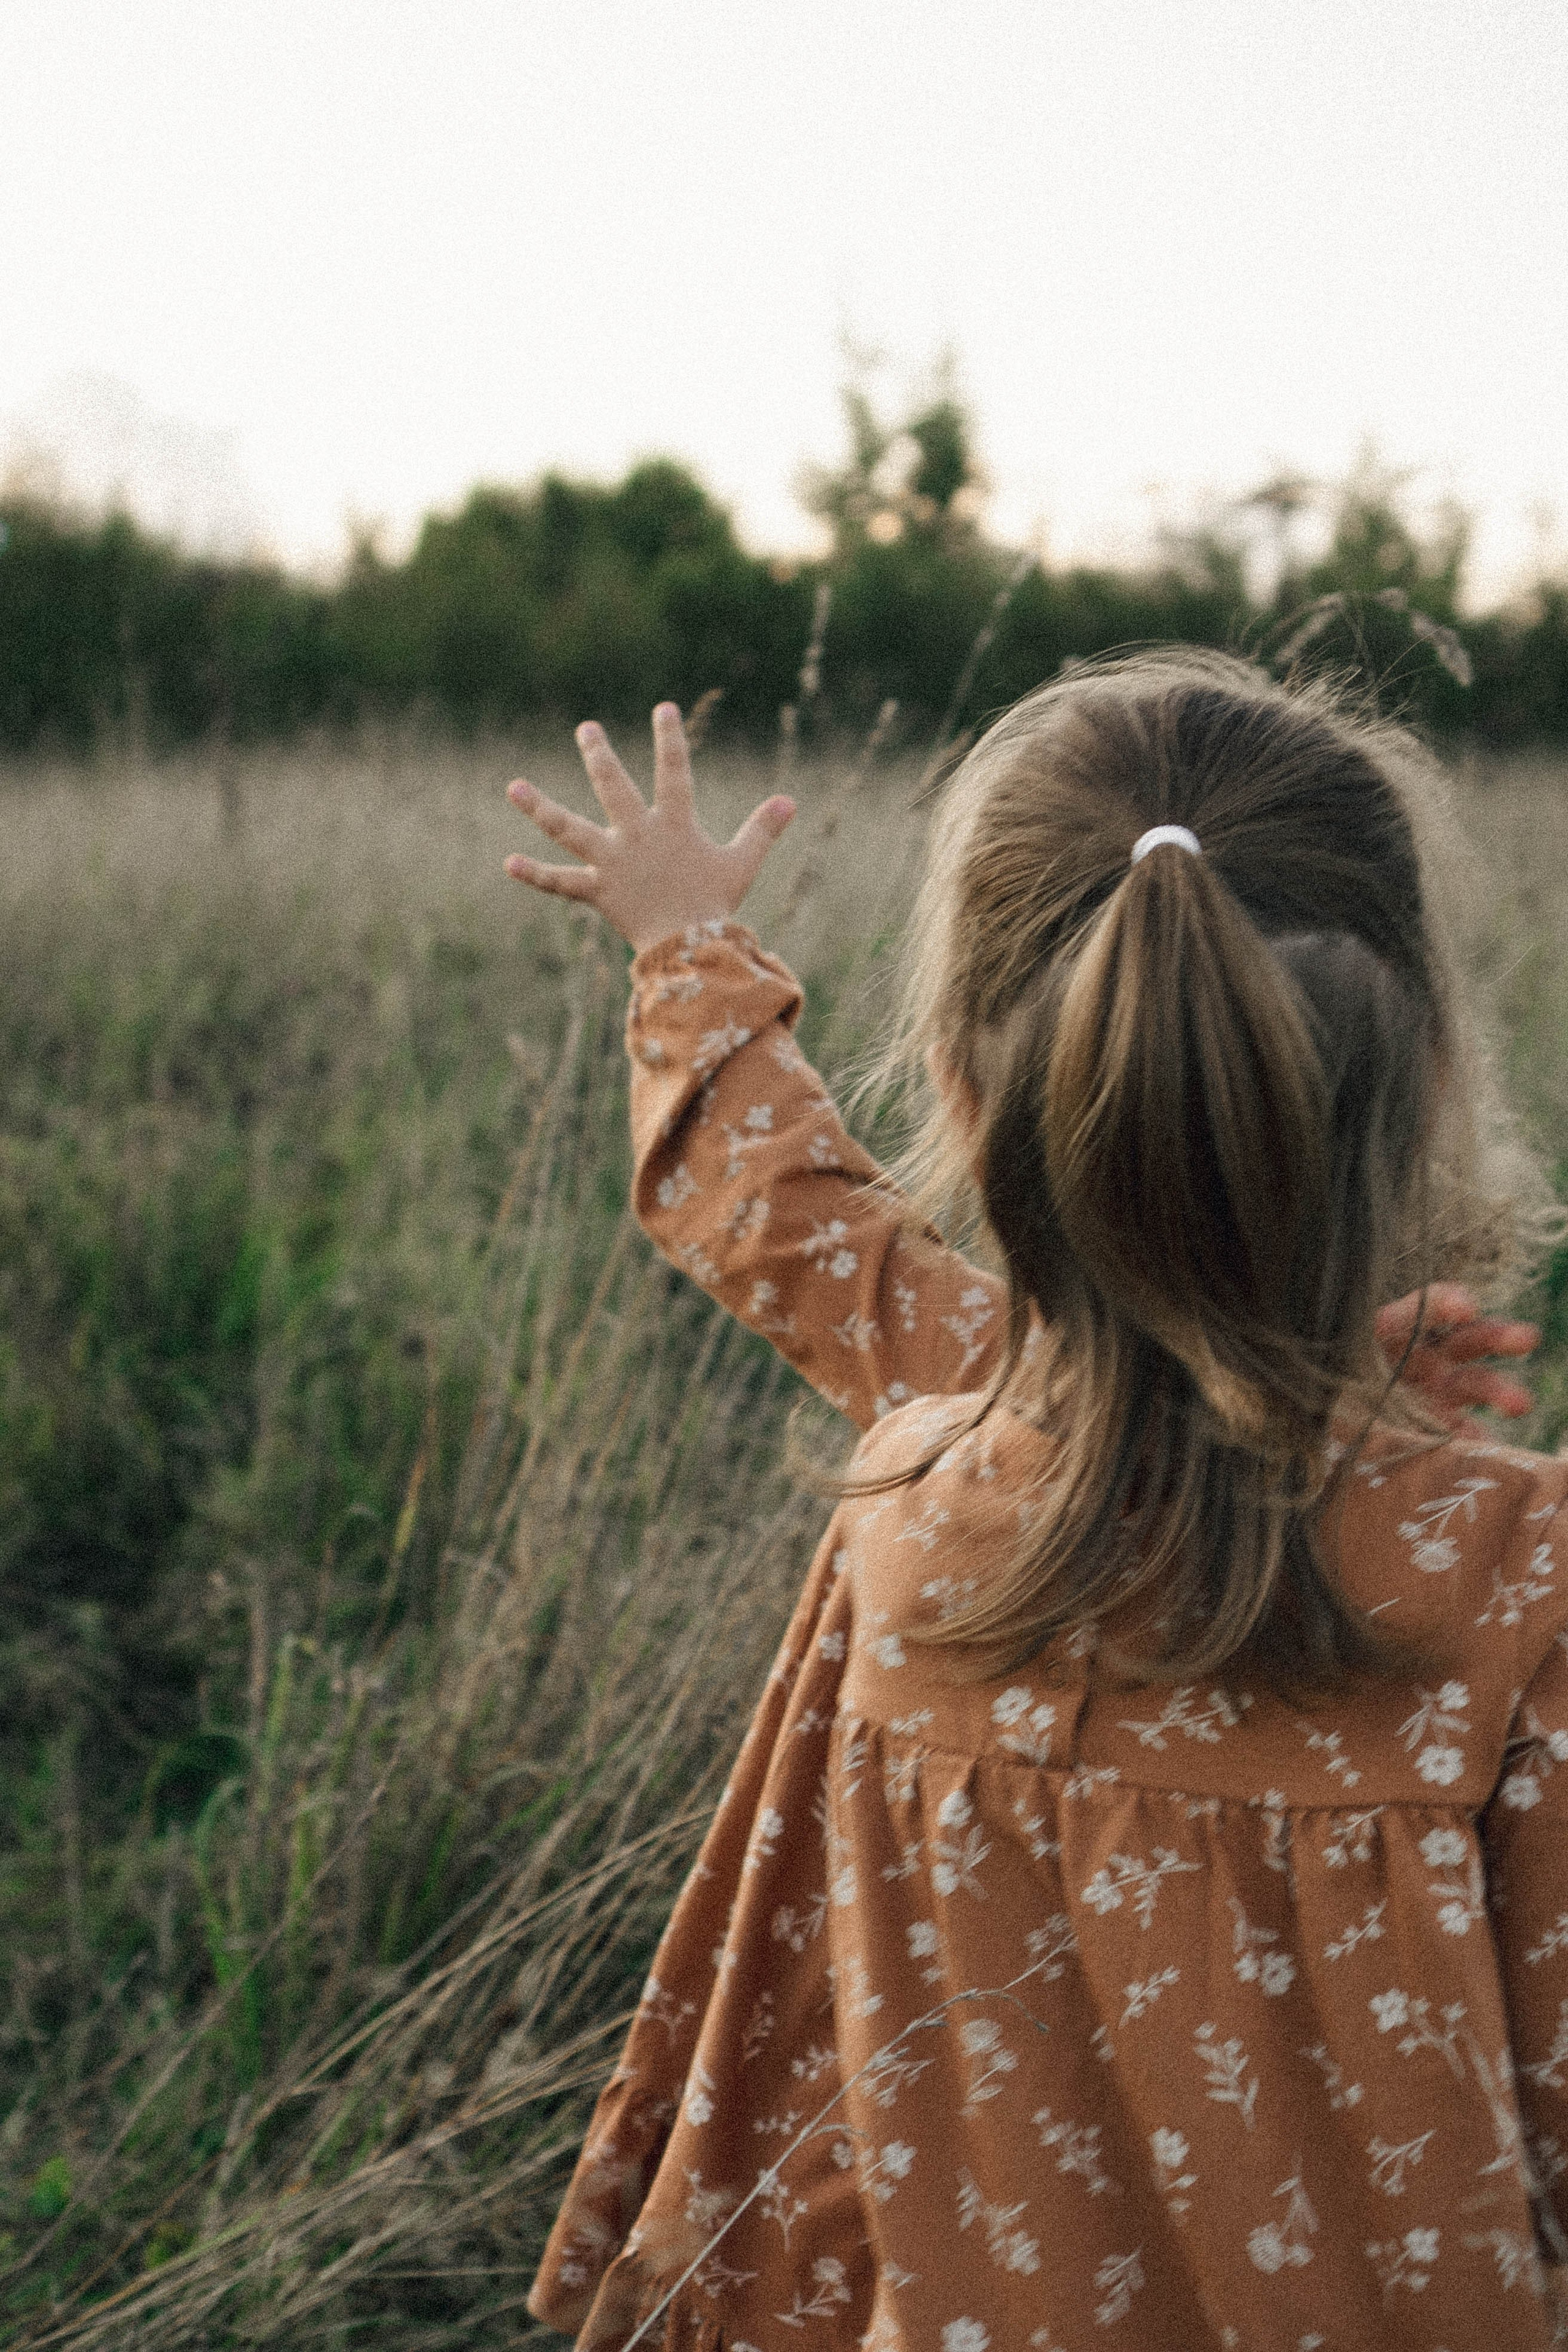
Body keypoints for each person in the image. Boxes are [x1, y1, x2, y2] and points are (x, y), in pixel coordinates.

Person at [503, 654, 1567, 2350]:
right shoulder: (1524, 1584)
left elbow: (778, 1213)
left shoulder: (923, 1458)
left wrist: (681, 943)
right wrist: (1329, 1406)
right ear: (1428, 1079)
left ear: (964, 1087)